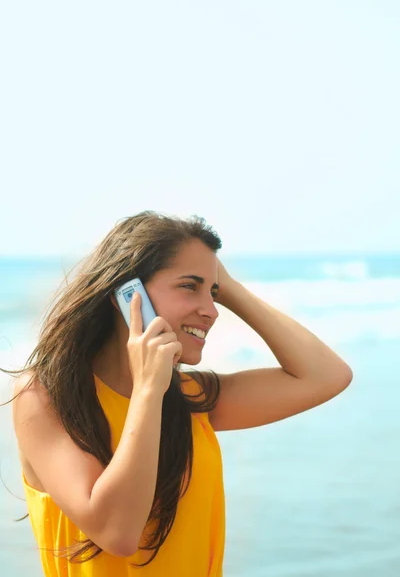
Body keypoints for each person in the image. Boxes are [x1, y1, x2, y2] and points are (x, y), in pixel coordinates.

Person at [7, 210, 353, 576]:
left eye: (213, 293)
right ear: (126, 292)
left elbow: (326, 376)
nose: (212, 311)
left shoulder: (191, 398)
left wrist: (229, 288)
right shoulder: (43, 398)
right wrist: (147, 392)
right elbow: (117, 533)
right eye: (190, 286)